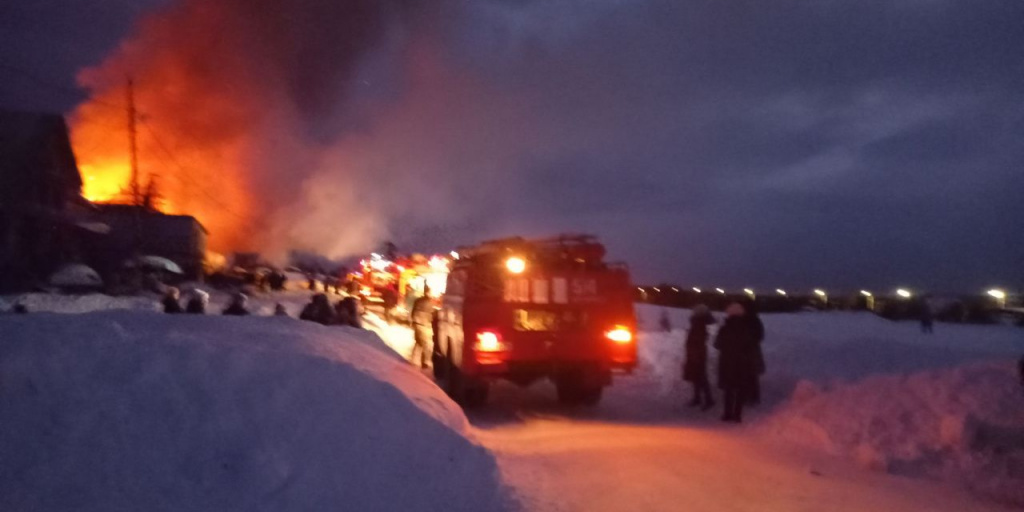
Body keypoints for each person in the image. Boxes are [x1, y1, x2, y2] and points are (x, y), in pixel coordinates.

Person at [714, 302, 758, 423]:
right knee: (740, 389)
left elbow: (717, 344)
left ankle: (727, 414)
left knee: (728, 390)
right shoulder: (746, 329)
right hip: (742, 364)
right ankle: (737, 415)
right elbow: (750, 346)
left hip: (727, 363)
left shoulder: (724, 329)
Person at [683, 305, 716, 409]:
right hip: (697, 353)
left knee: (700, 376)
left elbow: (697, 340)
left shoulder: (699, 323)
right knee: (697, 376)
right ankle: (699, 398)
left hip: (697, 353)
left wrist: (693, 353)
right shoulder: (699, 323)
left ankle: (708, 399)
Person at [743, 298, 766, 406]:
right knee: (752, 375)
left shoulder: (747, 319)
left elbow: (759, 336)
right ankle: (753, 397)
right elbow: (760, 336)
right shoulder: (756, 320)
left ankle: (751, 397)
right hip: (753, 350)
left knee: (748, 374)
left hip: (748, 350)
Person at [410, 287, 435, 369]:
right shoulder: (428, 302)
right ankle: (424, 362)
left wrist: (413, 321)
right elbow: (430, 314)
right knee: (424, 343)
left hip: (417, 322)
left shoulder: (418, 300)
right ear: (427, 293)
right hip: (423, 324)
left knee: (419, 341)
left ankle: (413, 357)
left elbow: (413, 311)